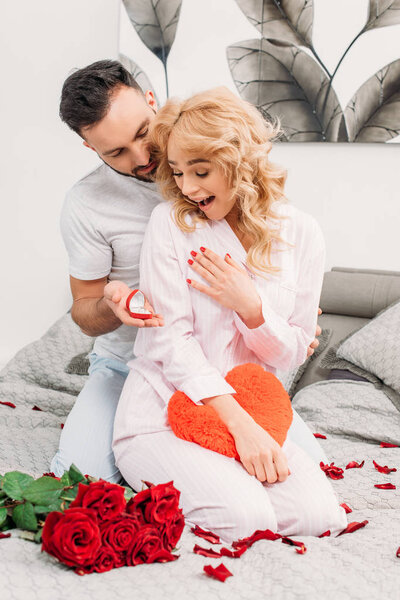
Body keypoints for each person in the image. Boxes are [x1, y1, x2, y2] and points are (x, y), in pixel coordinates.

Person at [51, 60, 325, 483]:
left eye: (143, 133)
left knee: (304, 471)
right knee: (81, 476)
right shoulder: (85, 204)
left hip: (222, 364)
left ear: (151, 101)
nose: (142, 158)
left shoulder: (211, 155)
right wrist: (113, 308)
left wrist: (281, 319)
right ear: (91, 148)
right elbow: (83, 309)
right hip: (131, 365)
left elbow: (274, 249)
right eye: (115, 152)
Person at [110, 88, 347, 542]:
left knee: (319, 516)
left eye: (201, 171)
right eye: (177, 172)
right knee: (244, 519)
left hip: (256, 411)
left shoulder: (301, 233)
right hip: (162, 413)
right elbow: (169, 340)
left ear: (242, 163)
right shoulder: (171, 224)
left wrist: (251, 308)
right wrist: (243, 430)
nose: (187, 188)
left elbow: (293, 351)